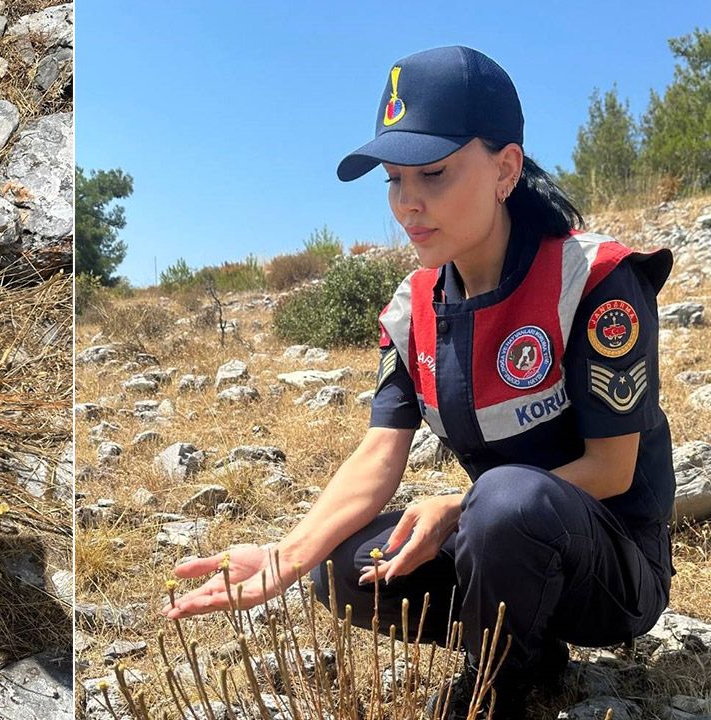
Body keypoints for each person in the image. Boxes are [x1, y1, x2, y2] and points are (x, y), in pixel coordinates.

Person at [162, 45, 676, 720]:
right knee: (343, 565)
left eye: (434, 174)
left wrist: (459, 511)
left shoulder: (596, 280)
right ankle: (527, 646)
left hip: (614, 570)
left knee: (501, 500)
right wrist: (285, 557)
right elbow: (379, 456)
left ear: (506, 168)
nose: (408, 204)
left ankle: (504, 690)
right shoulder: (413, 310)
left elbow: (612, 469)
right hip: (499, 540)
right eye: (394, 180)